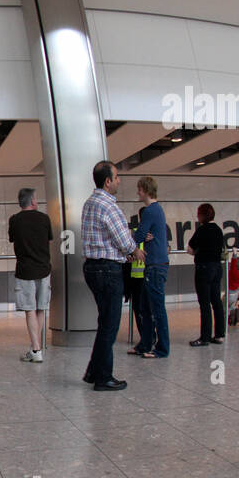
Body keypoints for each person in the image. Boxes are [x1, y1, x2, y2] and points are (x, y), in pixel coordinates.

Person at [81, 161, 144, 391]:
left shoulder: (90, 202)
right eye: (116, 177)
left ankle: (92, 372)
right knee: (109, 325)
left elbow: (104, 238)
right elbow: (123, 238)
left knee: (104, 322)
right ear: (107, 181)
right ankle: (103, 378)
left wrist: (123, 252)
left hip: (93, 268)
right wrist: (134, 251)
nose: (119, 181)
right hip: (107, 271)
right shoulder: (108, 206)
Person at [8, 187, 52, 363]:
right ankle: (36, 349)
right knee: (41, 307)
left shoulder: (15, 220)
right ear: (33, 201)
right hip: (44, 268)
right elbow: (49, 240)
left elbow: (12, 239)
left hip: (25, 269)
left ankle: (36, 349)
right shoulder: (44, 219)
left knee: (30, 309)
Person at [131, 176, 169, 358]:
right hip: (155, 265)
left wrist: (136, 233)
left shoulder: (150, 211)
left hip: (154, 266)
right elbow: (142, 235)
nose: (137, 192)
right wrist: (142, 233)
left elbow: (138, 237)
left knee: (156, 309)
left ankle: (162, 349)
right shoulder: (157, 210)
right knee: (145, 308)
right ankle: (145, 344)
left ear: (145, 190)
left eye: (139, 189)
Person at [186, 203, 225, 346]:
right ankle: (220, 334)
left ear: (203, 215)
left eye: (198, 213)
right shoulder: (218, 230)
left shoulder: (202, 230)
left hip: (204, 268)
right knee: (216, 301)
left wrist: (198, 252)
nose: (197, 216)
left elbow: (190, 249)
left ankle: (205, 337)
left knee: (204, 303)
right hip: (217, 267)